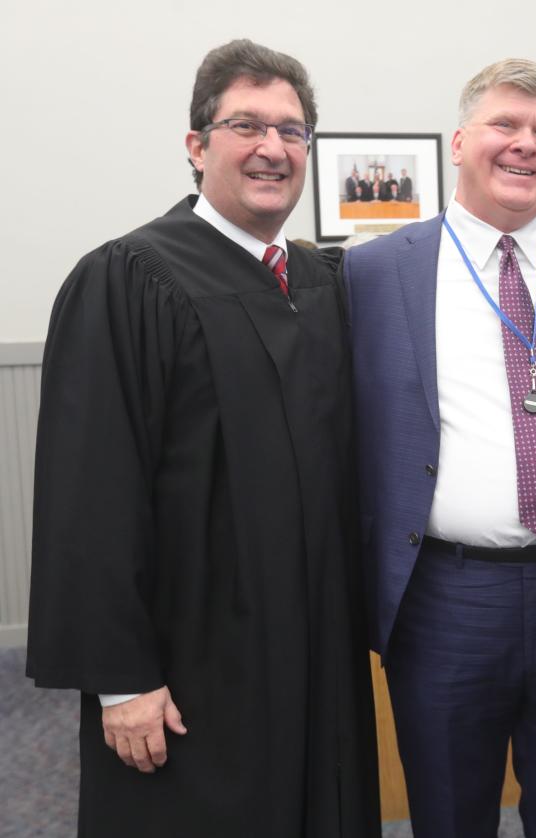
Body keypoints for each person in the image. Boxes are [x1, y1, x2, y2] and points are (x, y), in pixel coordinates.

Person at [26, 38, 380, 838]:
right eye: (246, 126)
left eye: (291, 132)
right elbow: (91, 494)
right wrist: (122, 682)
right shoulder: (129, 279)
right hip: (193, 665)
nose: (272, 148)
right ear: (197, 145)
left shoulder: (321, 286)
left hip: (316, 650)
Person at [345, 59, 536, 837]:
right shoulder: (373, 273)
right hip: (447, 600)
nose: (526, 145)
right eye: (506, 125)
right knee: (449, 816)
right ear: (461, 139)